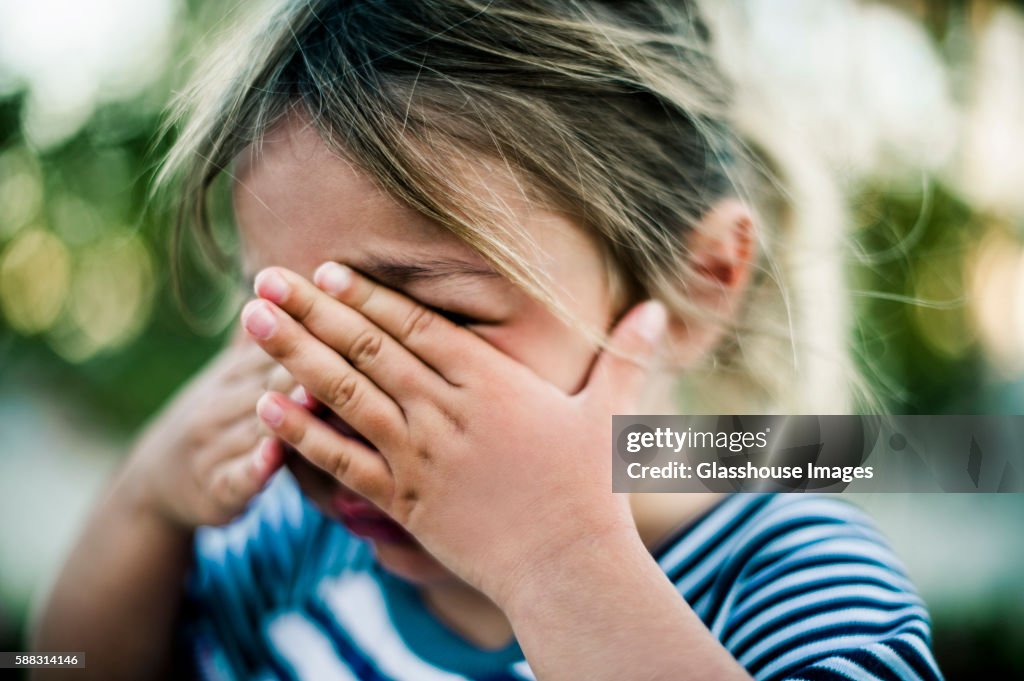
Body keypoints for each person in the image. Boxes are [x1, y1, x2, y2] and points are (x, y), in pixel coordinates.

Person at [32, 1, 943, 679]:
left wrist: (556, 560)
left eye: (433, 322)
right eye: (292, 327)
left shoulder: (791, 583)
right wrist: (145, 500)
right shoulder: (290, 544)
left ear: (700, 281)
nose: (332, 393)